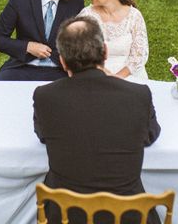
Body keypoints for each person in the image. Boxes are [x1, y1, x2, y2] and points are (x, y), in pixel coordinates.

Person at [32, 15, 161, 224]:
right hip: (128, 216)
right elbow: (150, 135)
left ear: (63, 62)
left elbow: (42, 134)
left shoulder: (45, 96)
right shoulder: (138, 95)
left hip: (65, 215)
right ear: (105, 52)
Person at [78, 0, 149, 79]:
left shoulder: (134, 16)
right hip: (96, 77)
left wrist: (117, 78)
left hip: (130, 76)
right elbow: (79, 53)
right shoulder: (86, 16)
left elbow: (139, 55)